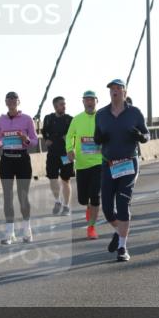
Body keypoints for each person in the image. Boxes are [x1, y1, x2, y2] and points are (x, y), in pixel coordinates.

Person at [93, 79, 149, 262]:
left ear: (125, 92)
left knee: (123, 204)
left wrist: (140, 136)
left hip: (128, 163)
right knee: (108, 209)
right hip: (108, 164)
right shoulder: (101, 114)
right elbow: (96, 137)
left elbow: (147, 135)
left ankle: (122, 247)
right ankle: (119, 231)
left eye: (118, 88)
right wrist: (99, 138)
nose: (114, 91)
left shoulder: (134, 112)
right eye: (112, 89)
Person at [0, 91, 39, 244]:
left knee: (23, 197)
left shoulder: (27, 119)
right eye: (9, 99)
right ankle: (10, 233)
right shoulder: (0, 120)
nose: (12, 101)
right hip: (6, 160)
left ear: (18, 102)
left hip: (22, 160)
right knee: (7, 197)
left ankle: (27, 231)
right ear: (6, 102)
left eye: (15, 99)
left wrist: (25, 139)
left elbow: (34, 141)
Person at [65, 91, 103, 239]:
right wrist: (70, 149)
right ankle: (88, 207)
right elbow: (69, 136)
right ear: (83, 102)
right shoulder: (77, 119)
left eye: (92, 100)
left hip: (99, 162)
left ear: (96, 101)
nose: (89, 102)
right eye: (87, 100)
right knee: (82, 199)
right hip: (81, 164)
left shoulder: (102, 117)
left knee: (95, 196)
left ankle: (91, 227)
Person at [42, 96, 74, 216]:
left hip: (65, 154)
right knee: (52, 178)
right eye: (61, 104)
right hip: (52, 154)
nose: (64, 106)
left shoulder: (70, 119)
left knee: (66, 179)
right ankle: (57, 201)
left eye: (64, 104)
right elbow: (44, 132)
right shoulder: (48, 118)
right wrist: (46, 139)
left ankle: (66, 206)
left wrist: (69, 139)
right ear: (55, 106)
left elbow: (76, 134)